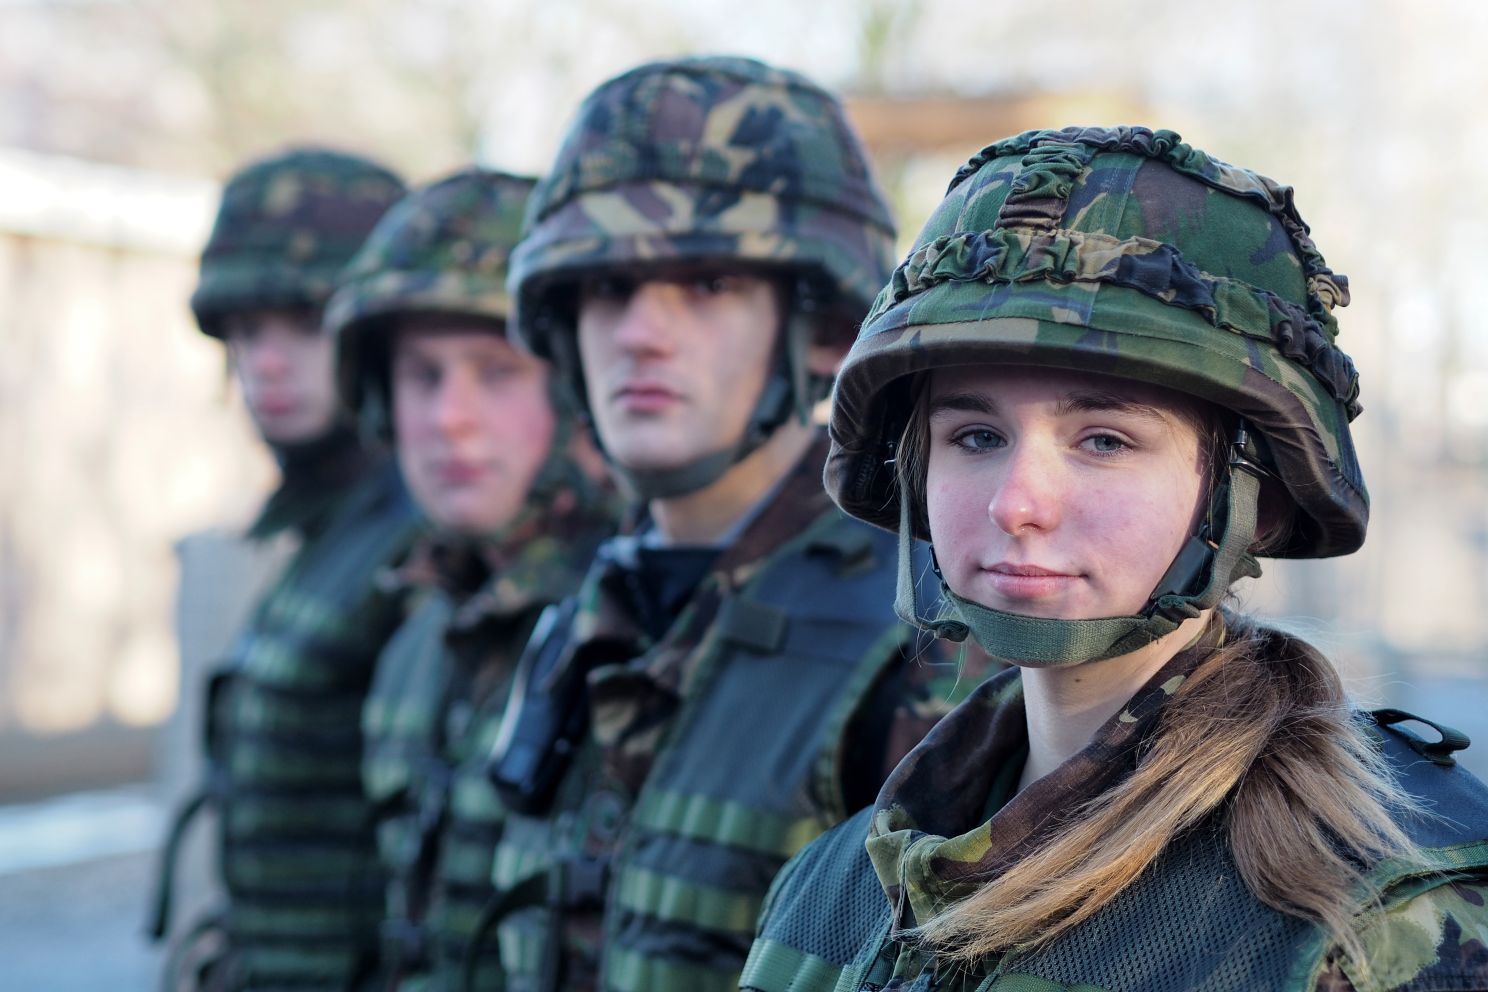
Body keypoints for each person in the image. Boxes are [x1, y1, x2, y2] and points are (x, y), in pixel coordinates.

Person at [739, 125, 1488, 992]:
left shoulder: (1380, 915)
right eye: (976, 435)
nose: (1018, 502)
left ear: (1253, 493)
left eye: (1104, 440)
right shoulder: (833, 888)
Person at [480, 55, 987, 992]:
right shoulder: (583, 616)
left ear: (823, 331)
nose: (640, 332)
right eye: (605, 290)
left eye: (707, 285)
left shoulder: (924, 635)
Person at [325, 167, 617, 991]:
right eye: (422, 375)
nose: (449, 416)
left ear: (574, 394)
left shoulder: (639, 631)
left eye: (496, 371)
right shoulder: (416, 635)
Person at [148, 147, 420, 991]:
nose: (265, 362)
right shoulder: (306, 533)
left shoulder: (427, 542)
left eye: (305, 325)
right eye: (246, 330)